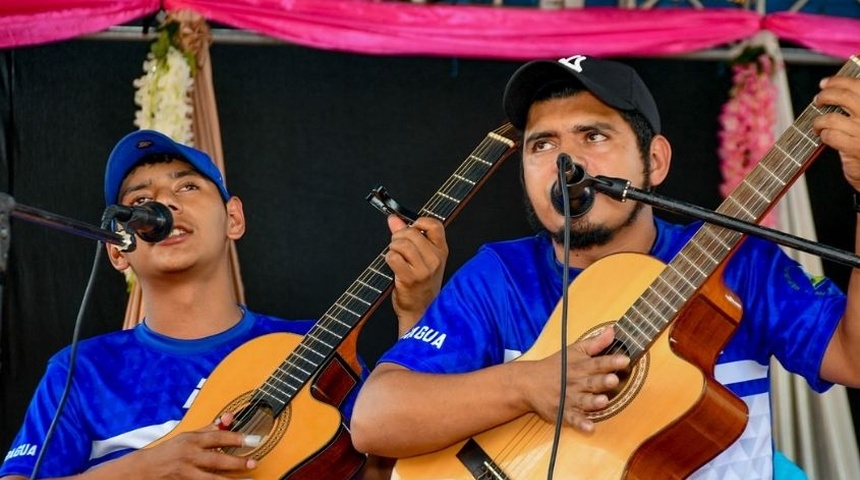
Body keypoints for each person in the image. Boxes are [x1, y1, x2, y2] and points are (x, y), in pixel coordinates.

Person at [350, 54, 860, 478]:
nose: (565, 162)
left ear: (654, 161)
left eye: (593, 136)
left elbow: (854, 359)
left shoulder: (741, 263)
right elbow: (375, 419)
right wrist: (527, 385)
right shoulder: (501, 275)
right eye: (542, 144)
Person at [0, 129, 447, 479]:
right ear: (118, 249)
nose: (164, 203)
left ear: (234, 218)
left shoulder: (310, 347)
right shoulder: (81, 369)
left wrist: (417, 312)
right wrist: (146, 469)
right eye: (140, 201)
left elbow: (391, 469)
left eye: (188, 187)